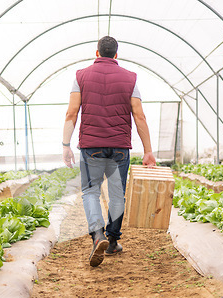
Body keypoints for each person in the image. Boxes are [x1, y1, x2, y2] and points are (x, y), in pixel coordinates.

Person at [62, 36, 156, 267]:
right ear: (116, 55)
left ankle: (98, 236)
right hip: (120, 147)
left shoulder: (80, 76)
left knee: (91, 192)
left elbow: (72, 113)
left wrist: (66, 145)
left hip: (91, 146)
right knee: (116, 195)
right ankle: (113, 241)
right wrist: (148, 151)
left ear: (97, 53)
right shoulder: (130, 78)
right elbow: (139, 116)